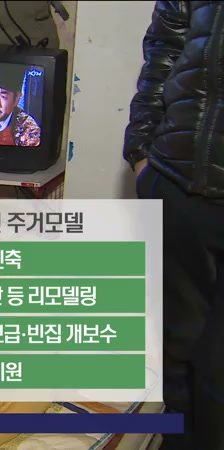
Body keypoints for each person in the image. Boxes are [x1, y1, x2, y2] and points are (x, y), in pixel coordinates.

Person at [123, 2, 224, 449]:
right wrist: (142, 154)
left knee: (217, 370)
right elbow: (163, 50)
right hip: (178, 185)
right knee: (175, 357)